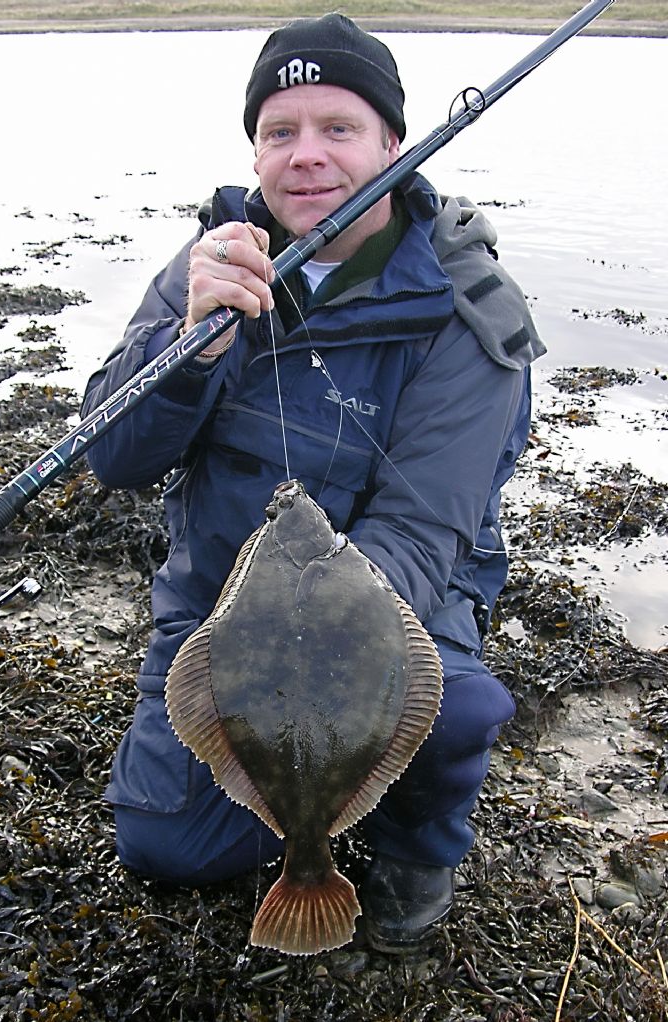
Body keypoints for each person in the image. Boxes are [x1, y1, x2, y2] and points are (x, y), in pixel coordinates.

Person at [81, 13, 544, 953]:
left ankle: (416, 846)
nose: (306, 158)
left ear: (394, 144)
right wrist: (191, 347)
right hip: (218, 611)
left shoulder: (467, 314)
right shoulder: (211, 267)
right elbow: (114, 458)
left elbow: (422, 535)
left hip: (394, 608)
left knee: (452, 711)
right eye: (278, 132)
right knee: (165, 846)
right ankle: (306, 820)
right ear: (253, 150)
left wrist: (302, 645)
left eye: (339, 128)